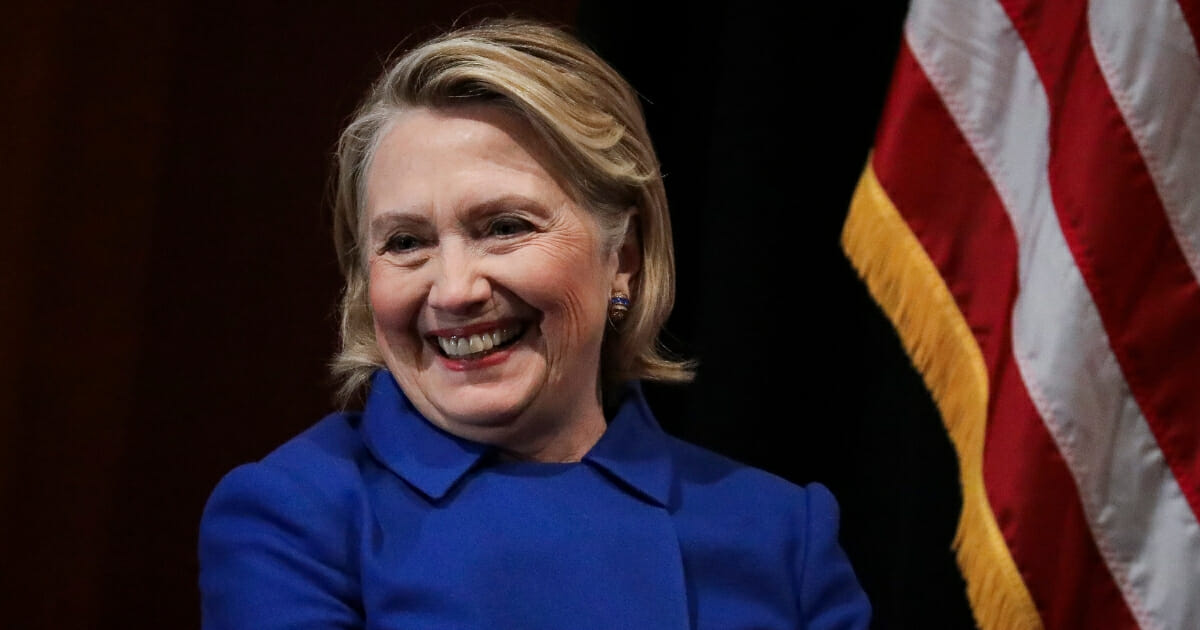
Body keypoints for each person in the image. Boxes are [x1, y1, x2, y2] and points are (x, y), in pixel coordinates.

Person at [198, 17, 871, 629]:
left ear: (624, 260)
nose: (455, 290)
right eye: (406, 243)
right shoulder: (293, 516)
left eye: (505, 228)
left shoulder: (783, 534)